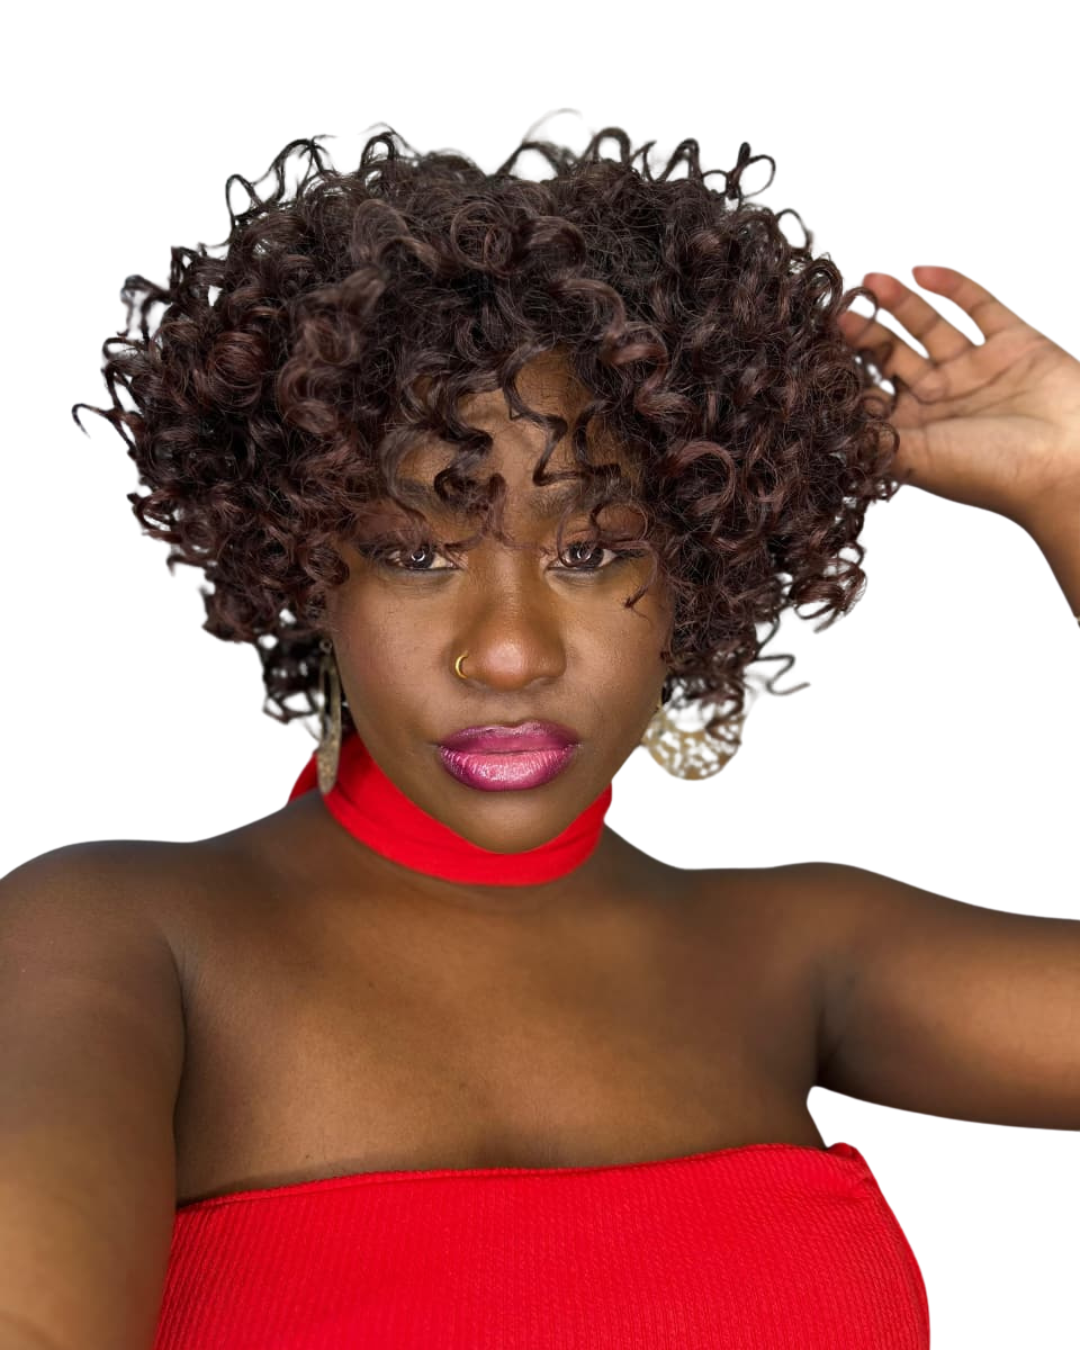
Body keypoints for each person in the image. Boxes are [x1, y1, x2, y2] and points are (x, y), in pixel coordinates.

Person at [1, 123, 1077, 1350]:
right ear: (304, 564)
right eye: (416, 557)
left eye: (591, 552)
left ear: (700, 572)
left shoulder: (796, 959)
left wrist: (1068, 480)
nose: (508, 652)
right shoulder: (115, 940)